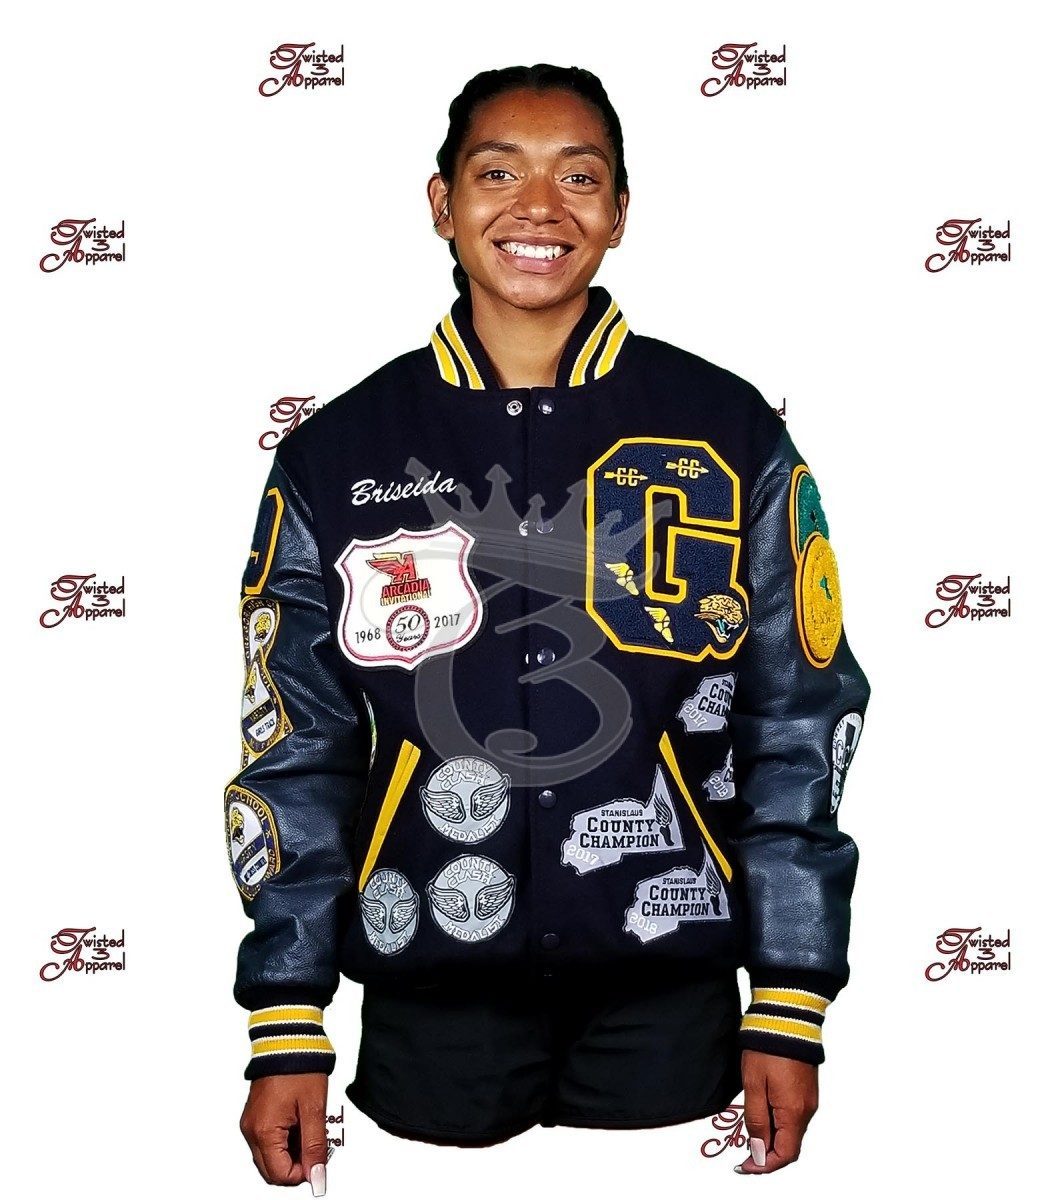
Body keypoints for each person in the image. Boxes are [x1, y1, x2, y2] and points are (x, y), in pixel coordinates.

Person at [227, 63, 870, 1191]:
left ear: (619, 211)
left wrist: (791, 996)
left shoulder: (726, 430)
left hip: (673, 1007)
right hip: (430, 994)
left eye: (578, 177)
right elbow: (297, 744)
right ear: (442, 203)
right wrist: (286, 1020)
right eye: (497, 173)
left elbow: (798, 717)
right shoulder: (338, 453)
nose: (539, 207)